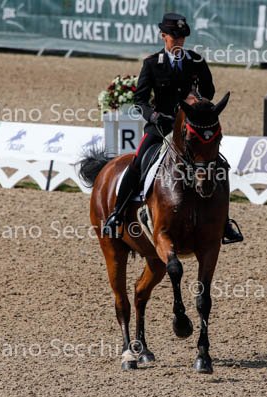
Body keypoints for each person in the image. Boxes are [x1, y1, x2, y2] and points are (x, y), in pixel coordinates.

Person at [103, 12, 243, 244]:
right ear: (163, 36)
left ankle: (225, 222)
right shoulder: (151, 63)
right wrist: (153, 115)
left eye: (181, 37)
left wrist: (197, 96)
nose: (178, 41)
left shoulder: (196, 61)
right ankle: (117, 213)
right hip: (161, 126)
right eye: (174, 37)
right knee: (138, 162)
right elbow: (140, 100)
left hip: (190, 127)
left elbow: (209, 92)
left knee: (219, 165)